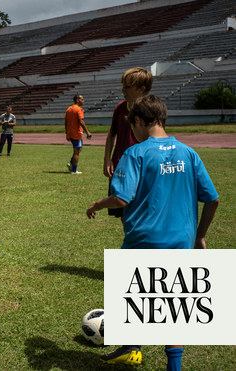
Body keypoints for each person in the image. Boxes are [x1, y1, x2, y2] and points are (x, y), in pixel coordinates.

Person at [86, 95, 219, 370]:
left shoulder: (135, 153)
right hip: (181, 242)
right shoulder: (188, 153)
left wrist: (98, 204)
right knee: (171, 304)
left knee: (130, 293)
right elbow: (213, 199)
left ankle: (130, 347)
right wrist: (200, 236)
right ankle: (167, 364)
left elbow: (121, 199)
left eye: (131, 126)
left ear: (137, 121)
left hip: (144, 241)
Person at [104, 67, 153, 217]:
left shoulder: (151, 109)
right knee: (121, 209)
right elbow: (111, 134)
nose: (123, 90)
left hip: (141, 166)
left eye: (127, 87)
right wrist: (107, 159)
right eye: (123, 86)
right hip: (120, 166)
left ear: (141, 89)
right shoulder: (120, 107)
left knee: (141, 208)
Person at [64, 94, 92, 174]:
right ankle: (74, 170)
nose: (83, 101)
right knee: (77, 151)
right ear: (77, 100)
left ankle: (71, 163)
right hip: (77, 133)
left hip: (71, 133)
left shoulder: (69, 109)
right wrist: (87, 132)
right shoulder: (78, 109)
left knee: (79, 149)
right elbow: (81, 121)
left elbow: (66, 122)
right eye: (82, 99)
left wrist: (67, 133)